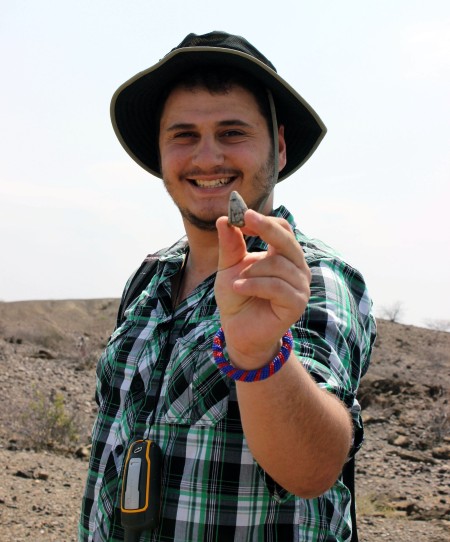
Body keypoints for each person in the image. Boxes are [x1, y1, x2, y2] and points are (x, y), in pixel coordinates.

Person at [79, 31, 376, 542]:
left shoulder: (309, 278)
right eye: (184, 135)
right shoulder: (150, 278)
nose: (208, 157)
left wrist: (259, 353)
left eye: (233, 131)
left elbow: (313, 470)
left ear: (278, 148)